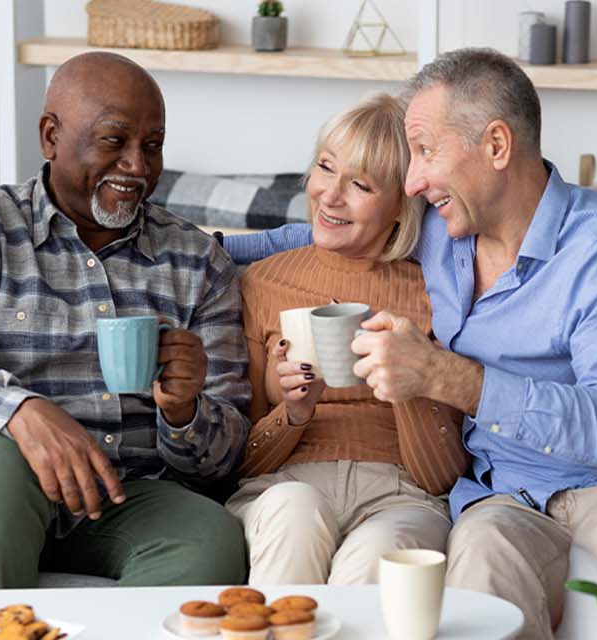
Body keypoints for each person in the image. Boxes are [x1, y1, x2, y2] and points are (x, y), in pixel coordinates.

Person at [224, 48, 597, 637]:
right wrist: (189, 249)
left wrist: (445, 377)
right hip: (501, 493)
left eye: (427, 152)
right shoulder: (438, 226)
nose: (413, 181)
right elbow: (319, 232)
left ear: (497, 146)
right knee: (478, 567)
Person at [0, 52, 249, 589]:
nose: (137, 166)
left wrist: (184, 412)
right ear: (50, 136)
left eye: (152, 146)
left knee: (208, 535)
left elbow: (225, 456)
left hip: (124, 489)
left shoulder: (198, 262)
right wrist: (23, 414)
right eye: (113, 141)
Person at [225, 92, 469, 586]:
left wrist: (407, 383)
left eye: (359, 184)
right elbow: (240, 462)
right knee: (294, 510)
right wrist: (291, 412)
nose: (330, 195)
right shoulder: (263, 283)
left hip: (401, 493)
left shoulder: (435, 295)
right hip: (284, 482)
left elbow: (441, 478)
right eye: (324, 168)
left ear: (401, 206)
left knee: (378, 555)